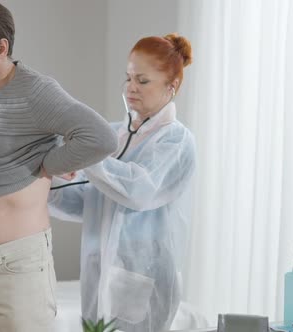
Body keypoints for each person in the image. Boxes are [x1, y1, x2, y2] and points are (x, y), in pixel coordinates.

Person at [0, 1, 118, 331]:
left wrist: (48, 164)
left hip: (19, 269)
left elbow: (101, 138)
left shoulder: (36, 92)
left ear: (1, 48)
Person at [48, 33, 196, 332]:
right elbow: (87, 202)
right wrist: (46, 181)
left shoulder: (176, 140)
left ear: (172, 85)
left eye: (142, 81)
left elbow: (139, 191)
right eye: (128, 78)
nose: (130, 88)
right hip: (98, 274)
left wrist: (86, 156)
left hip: (142, 276)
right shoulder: (113, 136)